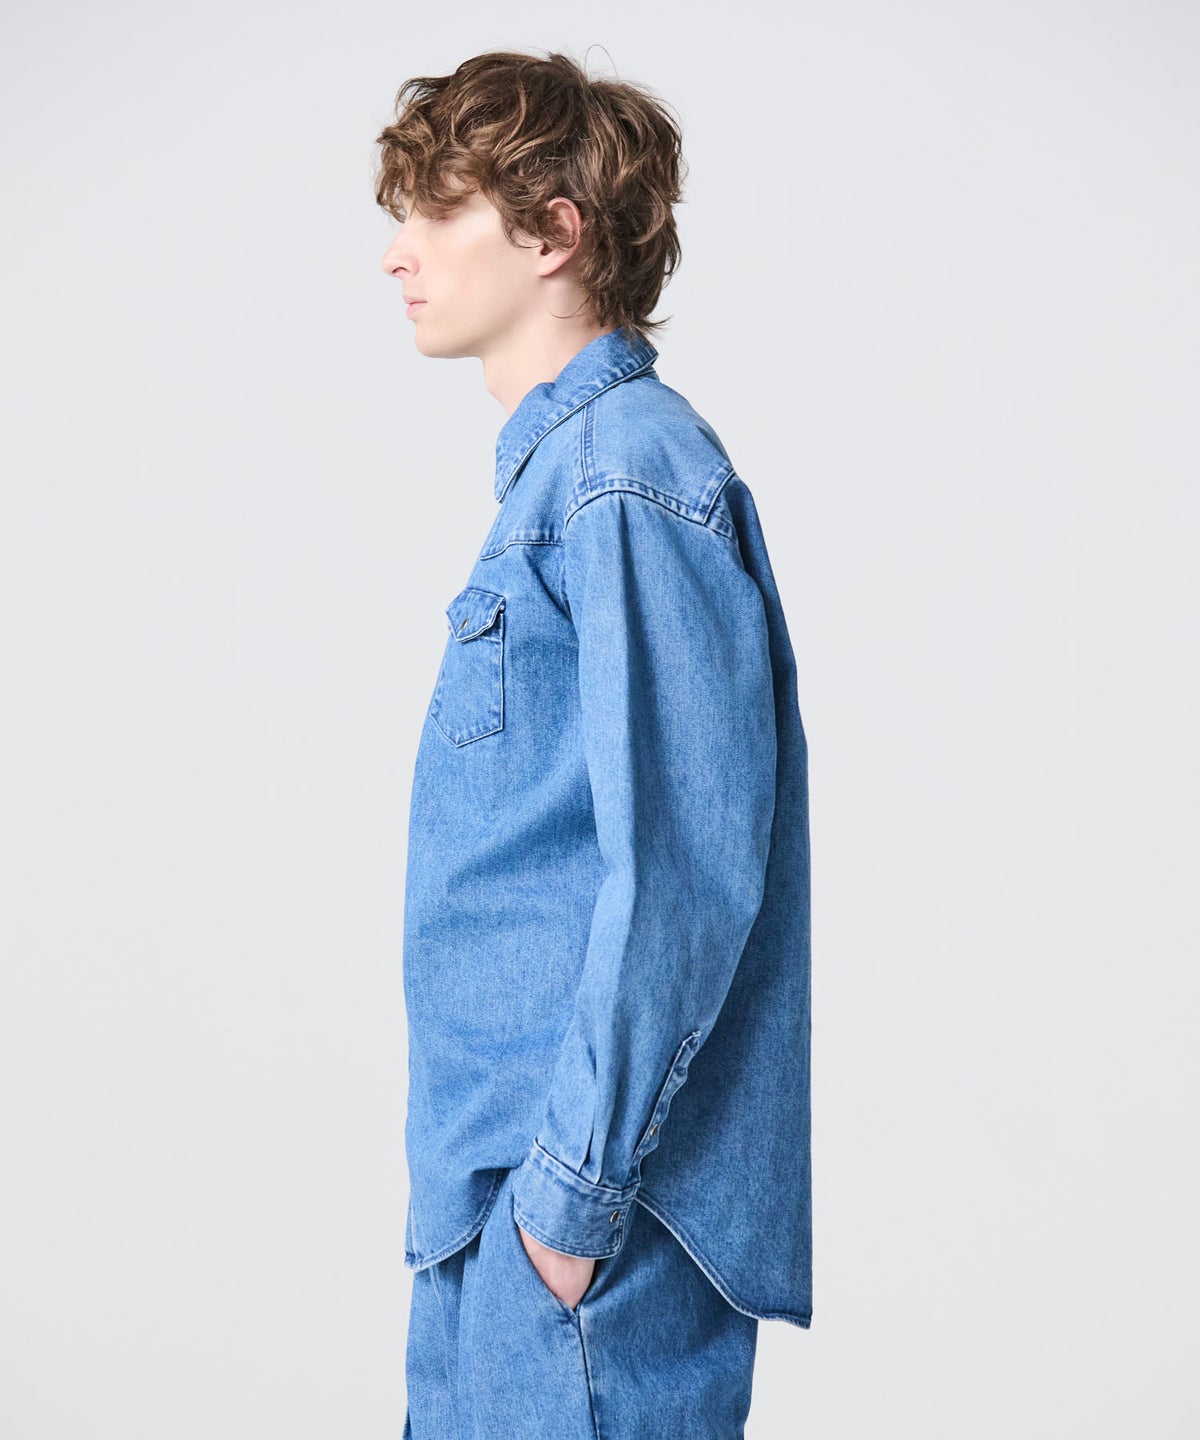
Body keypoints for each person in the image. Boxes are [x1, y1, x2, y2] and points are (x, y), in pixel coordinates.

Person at [374, 48, 812, 1439]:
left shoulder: (626, 472)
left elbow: (684, 869)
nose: (398, 253)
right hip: (500, 1216)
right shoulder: (567, 480)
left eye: (440, 209)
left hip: (576, 1239)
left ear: (554, 232)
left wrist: (562, 1211)